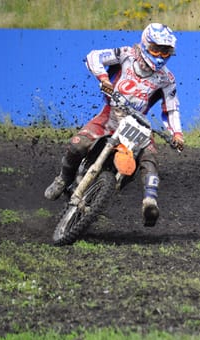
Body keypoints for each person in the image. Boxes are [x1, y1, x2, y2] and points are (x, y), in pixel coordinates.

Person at [44, 23, 184, 227]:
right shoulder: (127, 54)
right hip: (111, 115)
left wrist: (177, 134)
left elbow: (171, 108)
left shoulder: (167, 78)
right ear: (145, 43)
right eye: (156, 49)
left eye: (166, 51)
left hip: (138, 123)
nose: (161, 55)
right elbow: (94, 56)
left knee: (150, 157)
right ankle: (63, 179)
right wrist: (103, 79)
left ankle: (149, 202)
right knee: (78, 144)